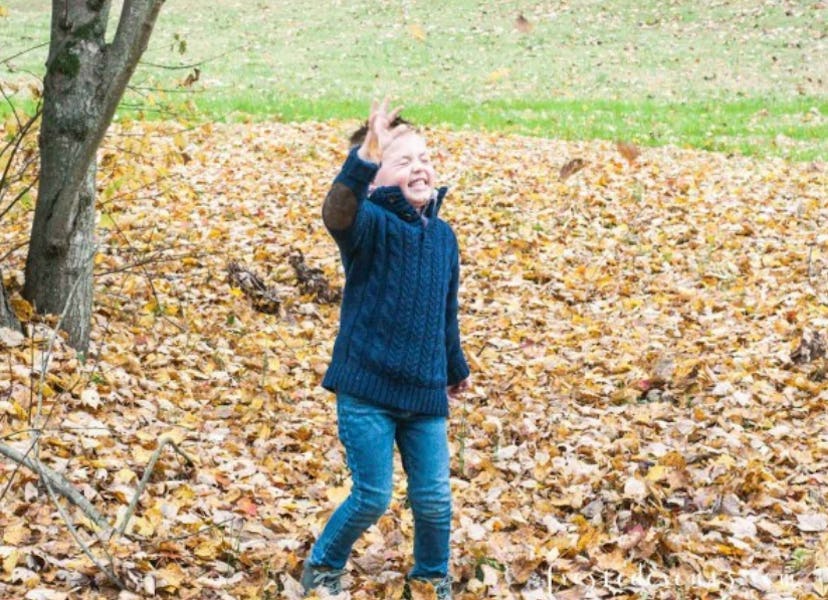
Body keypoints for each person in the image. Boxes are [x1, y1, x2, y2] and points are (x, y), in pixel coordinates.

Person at [301, 99, 471, 599]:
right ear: (375, 178)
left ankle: (430, 578)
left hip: (423, 394)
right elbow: (337, 210)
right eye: (402, 160)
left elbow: (445, 309)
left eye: (424, 157)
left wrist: (454, 366)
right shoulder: (368, 224)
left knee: (435, 499)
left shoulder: (443, 236)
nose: (419, 167)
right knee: (373, 495)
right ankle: (324, 564)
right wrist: (365, 157)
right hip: (367, 388)